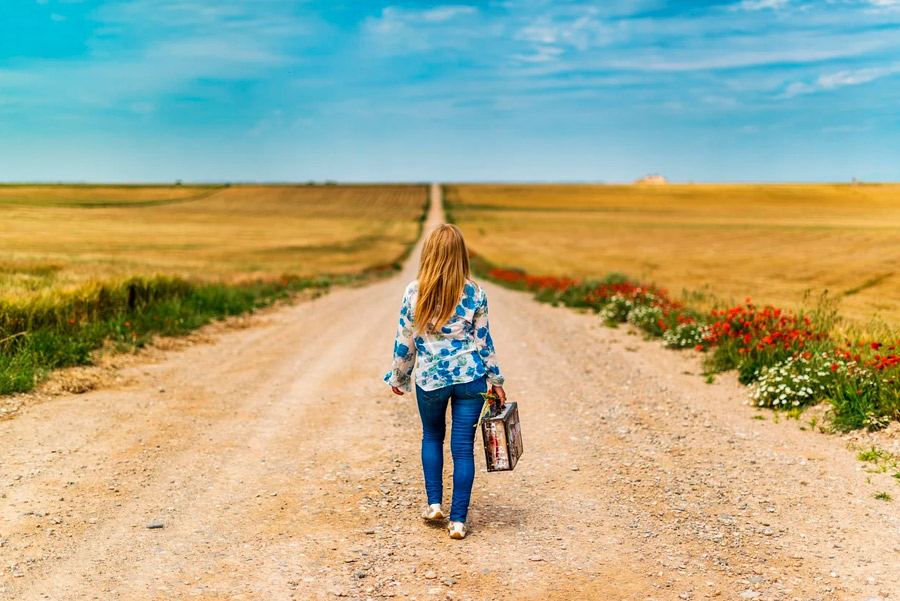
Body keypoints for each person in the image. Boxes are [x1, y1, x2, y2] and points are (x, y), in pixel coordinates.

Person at [384, 224, 506, 540]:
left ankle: (435, 503)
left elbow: (405, 340)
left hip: (431, 380)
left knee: (432, 436)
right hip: (471, 378)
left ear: (430, 253)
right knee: (463, 449)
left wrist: (399, 376)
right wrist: (496, 379)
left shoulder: (415, 291)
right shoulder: (475, 292)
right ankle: (458, 522)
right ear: (460, 256)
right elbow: (484, 340)